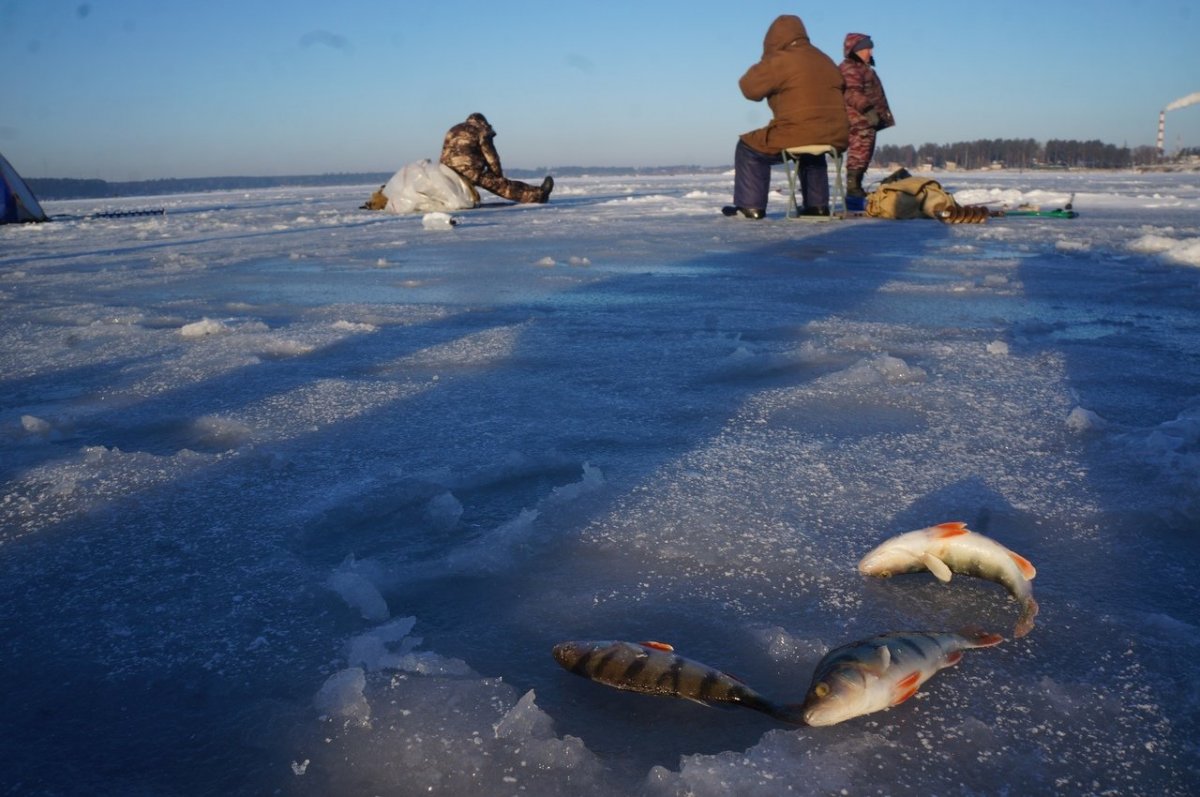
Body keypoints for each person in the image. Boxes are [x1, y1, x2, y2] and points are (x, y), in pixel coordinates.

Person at [723, 14, 848, 219]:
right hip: (836, 134)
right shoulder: (825, 59)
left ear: (773, 40)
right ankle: (817, 206)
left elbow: (749, 88)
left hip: (798, 131)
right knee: (813, 151)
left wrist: (767, 59)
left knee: (748, 147)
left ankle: (750, 207)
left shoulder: (781, 60)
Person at [439, 113, 554, 205]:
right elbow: (491, 157)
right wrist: (497, 176)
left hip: (446, 170)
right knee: (503, 187)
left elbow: (445, 152)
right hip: (468, 170)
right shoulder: (481, 130)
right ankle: (539, 194)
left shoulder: (453, 129)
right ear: (482, 122)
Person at [839, 33, 895, 200]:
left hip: (866, 120)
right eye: (866, 49)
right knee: (859, 152)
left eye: (870, 48)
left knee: (865, 153)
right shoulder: (850, 68)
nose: (870, 52)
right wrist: (868, 109)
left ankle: (856, 186)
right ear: (855, 50)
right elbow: (851, 92)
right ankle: (853, 188)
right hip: (859, 120)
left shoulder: (862, 68)